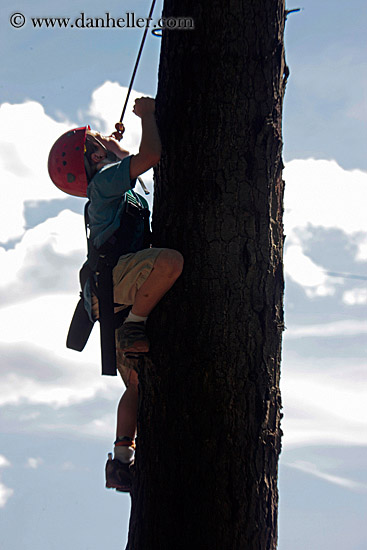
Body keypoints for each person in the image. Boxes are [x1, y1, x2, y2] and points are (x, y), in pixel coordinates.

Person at [48, 97, 184, 492]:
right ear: (92, 154)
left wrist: (113, 146)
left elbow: (137, 160)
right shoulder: (107, 182)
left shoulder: (110, 180)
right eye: (96, 140)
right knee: (170, 262)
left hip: (110, 295)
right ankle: (136, 323)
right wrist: (147, 117)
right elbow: (153, 154)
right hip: (117, 286)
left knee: (136, 386)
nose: (106, 137)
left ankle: (122, 461)